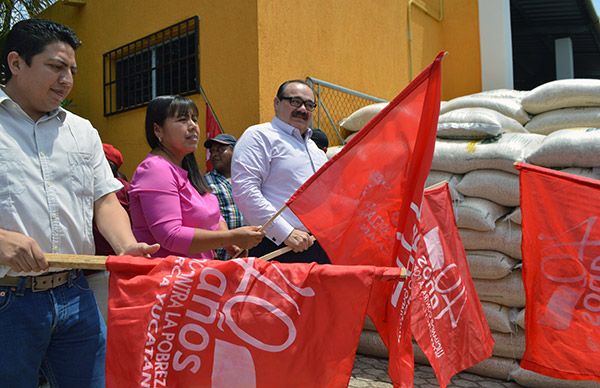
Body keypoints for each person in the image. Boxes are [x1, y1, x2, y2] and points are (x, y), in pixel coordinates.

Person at [0, 19, 158, 387]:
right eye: (55, 67)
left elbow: (104, 199)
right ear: (16, 62)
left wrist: (126, 245)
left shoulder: (82, 130)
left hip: (75, 295)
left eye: (71, 69)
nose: (67, 80)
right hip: (7, 300)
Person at [129, 95, 264, 259]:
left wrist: (229, 241)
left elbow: (213, 214)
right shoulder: (155, 169)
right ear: (158, 130)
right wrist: (231, 237)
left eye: (194, 119)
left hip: (196, 275)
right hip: (170, 278)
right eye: (182, 119)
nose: (193, 126)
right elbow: (171, 236)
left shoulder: (187, 170)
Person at [232, 79, 330, 263]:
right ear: (277, 103)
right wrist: (286, 233)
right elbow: (245, 191)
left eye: (309, 105)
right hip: (277, 247)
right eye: (295, 101)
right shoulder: (259, 136)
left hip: (317, 245)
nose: (302, 109)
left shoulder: (316, 151)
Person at [204, 133, 245, 260]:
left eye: (221, 149)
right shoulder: (204, 182)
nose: (214, 154)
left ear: (235, 151)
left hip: (252, 254)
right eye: (212, 151)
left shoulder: (248, 177)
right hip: (220, 257)